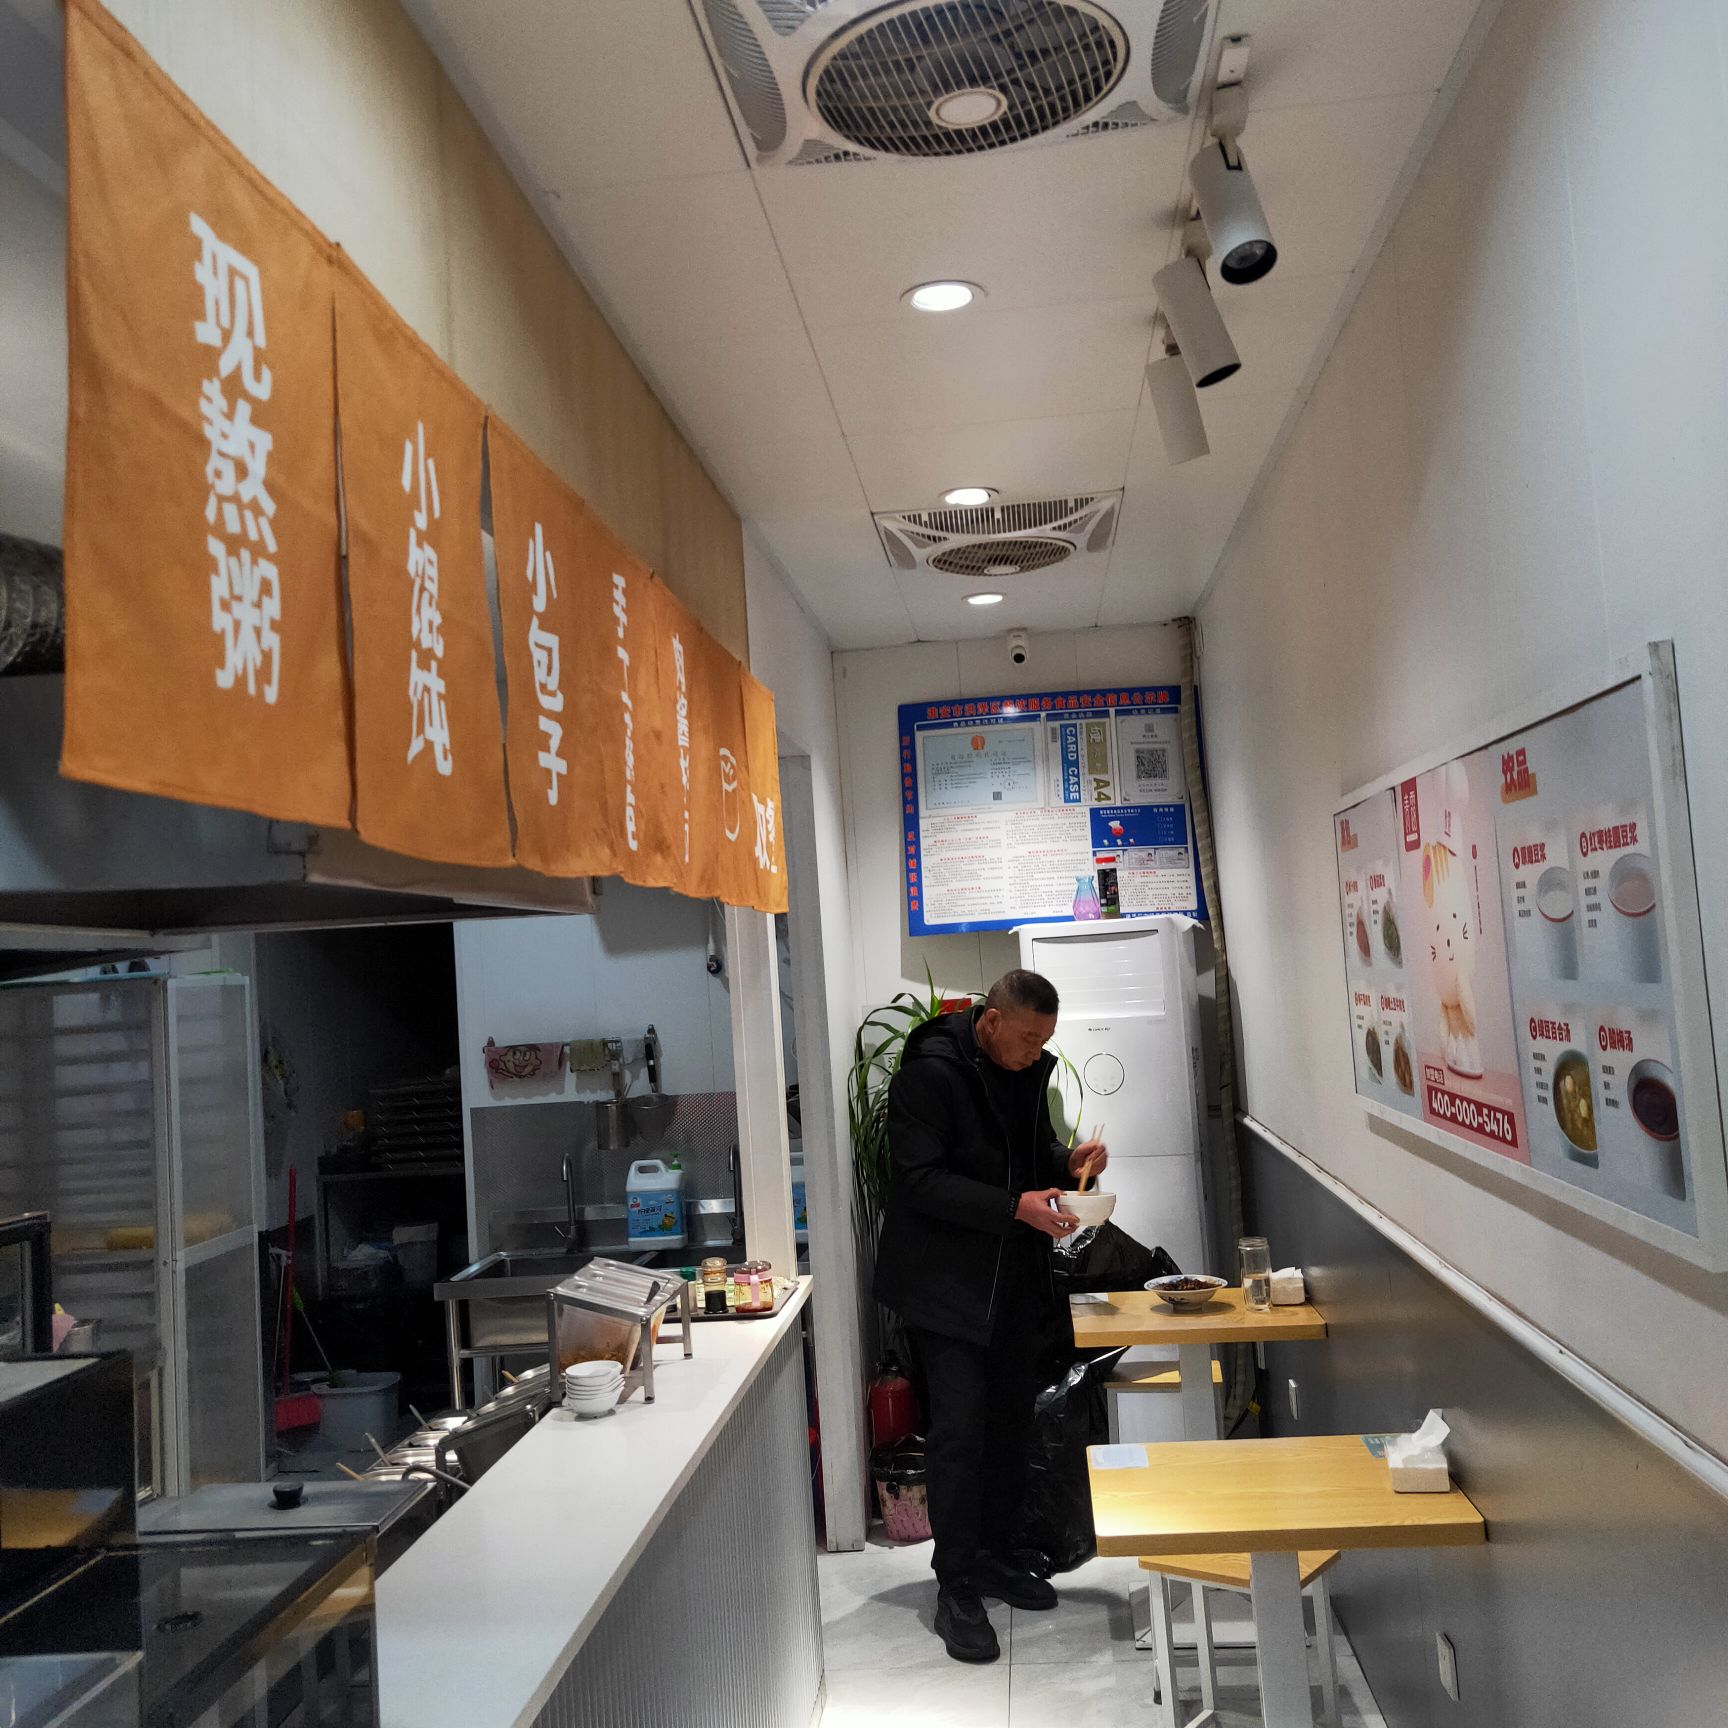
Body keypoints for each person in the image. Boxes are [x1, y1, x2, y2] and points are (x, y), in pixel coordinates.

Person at [873, 969, 1107, 1664]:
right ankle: (956, 1586)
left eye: (1045, 1041)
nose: (1037, 1052)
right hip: (945, 1288)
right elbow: (919, 1180)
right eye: (1028, 1038)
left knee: (1009, 1426)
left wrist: (1069, 1162)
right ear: (992, 1021)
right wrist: (1014, 1208)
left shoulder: (1025, 1072)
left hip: (1012, 1283)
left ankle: (996, 1556)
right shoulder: (930, 1075)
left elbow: (1031, 1158)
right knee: (960, 1436)